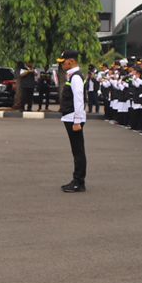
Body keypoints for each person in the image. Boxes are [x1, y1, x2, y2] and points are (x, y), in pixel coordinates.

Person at [59, 49, 87, 192]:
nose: (62, 65)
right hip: (70, 117)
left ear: (71, 61)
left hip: (73, 118)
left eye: (63, 62)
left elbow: (79, 99)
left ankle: (78, 182)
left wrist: (77, 121)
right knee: (76, 150)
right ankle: (77, 180)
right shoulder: (72, 75)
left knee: (78, 151)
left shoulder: (76, 77)